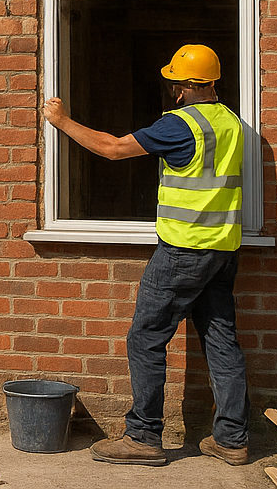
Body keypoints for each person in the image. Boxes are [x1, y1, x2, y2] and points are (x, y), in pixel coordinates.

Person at [41, 44, 250, 467]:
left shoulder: (180, 125)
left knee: (146, 337)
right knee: (220, 339)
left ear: (182, 86)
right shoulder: (231, 121)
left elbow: (114, 149)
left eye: (175, 80)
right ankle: (231, 439)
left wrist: (61, 121)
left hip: (183, 251)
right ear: (212, 82)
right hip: (223, 248)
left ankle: (142, 437)